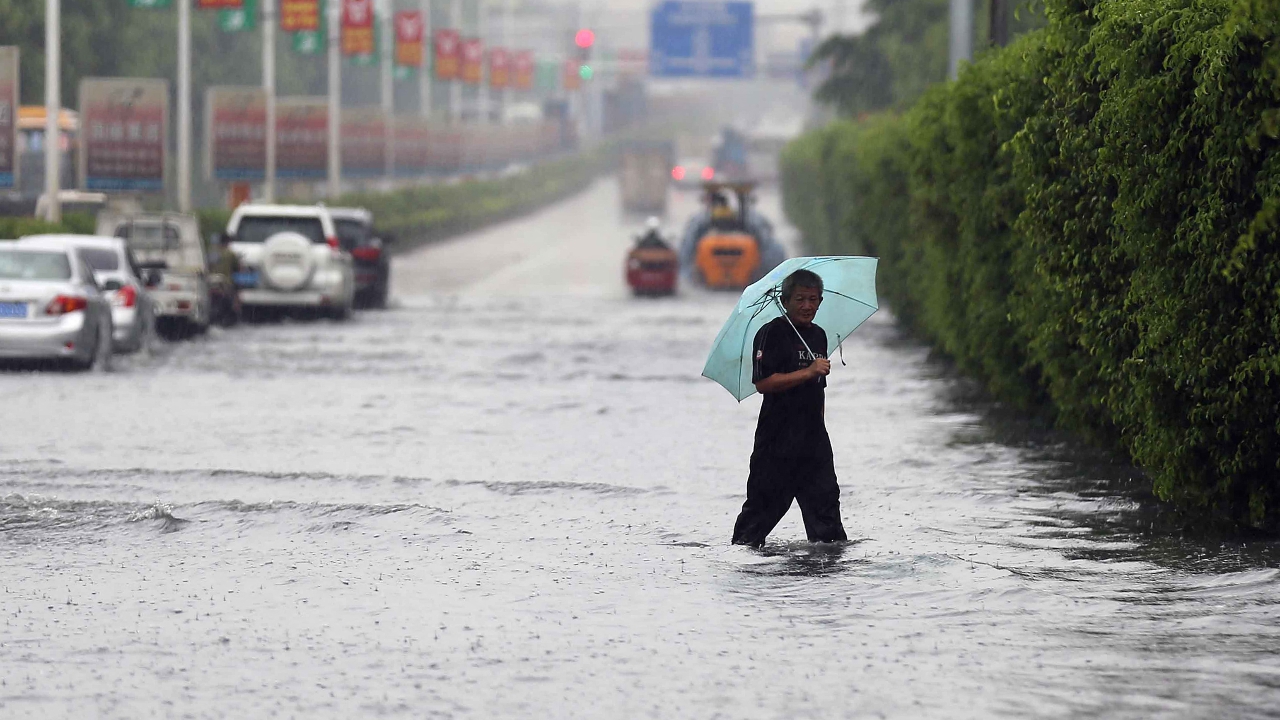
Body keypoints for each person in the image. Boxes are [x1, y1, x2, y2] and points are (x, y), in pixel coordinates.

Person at [732, 269, 848, 547]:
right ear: (785, 301)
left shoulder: (819, 336)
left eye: (813, 299)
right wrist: (808, 371)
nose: (807, 306)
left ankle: (829, 569)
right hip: (777, 441)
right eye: (800, 299)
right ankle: (743, 562)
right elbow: (763, 383)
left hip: (814, 443)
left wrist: (820, 430)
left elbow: (819, 389)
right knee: (758, 517)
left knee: (828, 526)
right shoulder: (771, 333)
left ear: (820, 301)